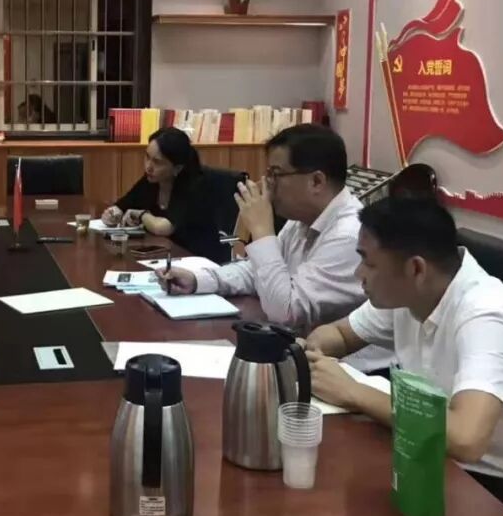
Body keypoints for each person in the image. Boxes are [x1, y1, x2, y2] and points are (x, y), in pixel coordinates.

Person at [305, 196, 503, 516]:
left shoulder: (485, 315)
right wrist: (314, 353)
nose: (358, 274)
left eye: (368, 262)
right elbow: (338, 335)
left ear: (416, 269)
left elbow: (467, 438)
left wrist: (355, 392)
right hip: (458, 468)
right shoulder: (410, 295)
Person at [157, 124, 387, 373]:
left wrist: (262, 231)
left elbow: (285, 311)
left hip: (355, 373)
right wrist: (198, 280)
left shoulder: (349, 235)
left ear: (316, 181)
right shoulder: (303, 219)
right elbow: (259, 272)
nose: (267, 185)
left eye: (276, 174)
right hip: (303, 357)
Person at [101, 127, 220, 260]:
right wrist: (114, 213)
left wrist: (141, 215)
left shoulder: (195, 186)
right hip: (163, 255)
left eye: (157, 162)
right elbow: (125, 203)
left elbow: (164, 227)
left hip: (197, 259)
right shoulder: (152, 179)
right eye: (147, 157)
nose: (148, 166)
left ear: (177, 168)